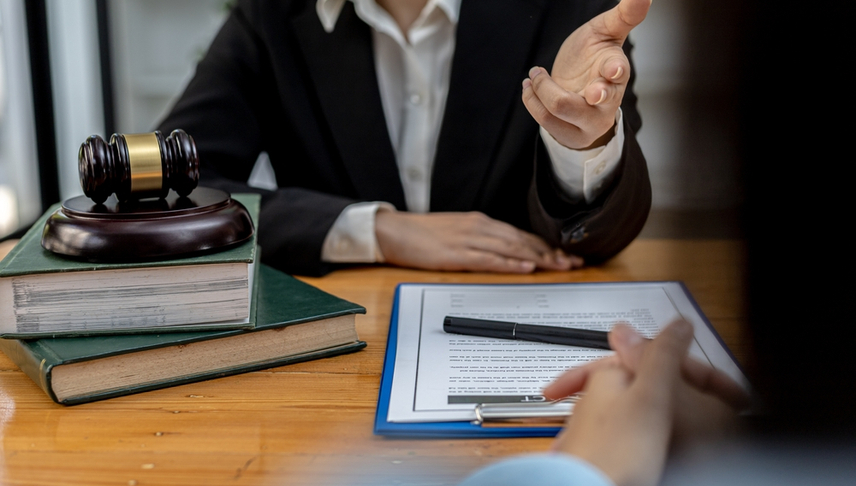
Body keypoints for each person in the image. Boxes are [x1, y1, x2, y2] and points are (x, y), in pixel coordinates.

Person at [158, 0, 652, 276]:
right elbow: (168, 190)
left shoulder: (573, 10)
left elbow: (596, 240)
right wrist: (377, 230)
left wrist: (582, 145)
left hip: (526, 334)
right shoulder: (269, 16)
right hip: (339, 353)